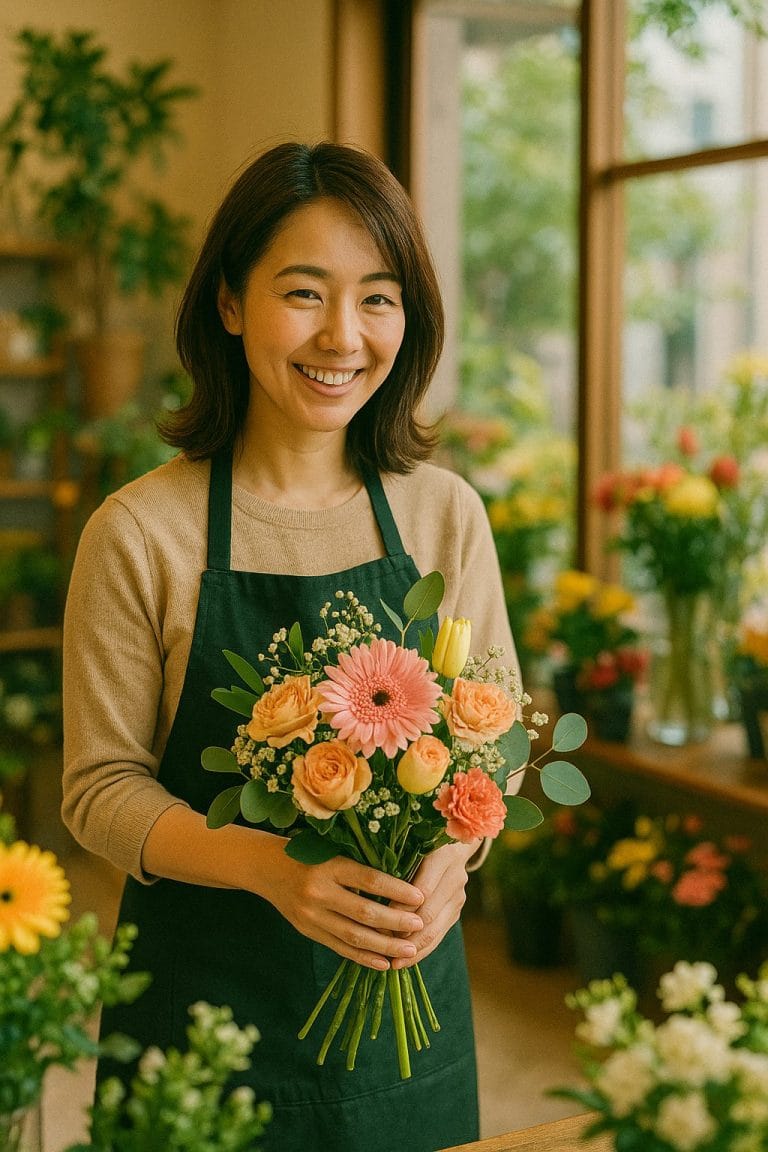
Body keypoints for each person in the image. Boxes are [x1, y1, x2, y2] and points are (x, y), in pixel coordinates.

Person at [62, 141, 517, 1152]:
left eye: (379, 298)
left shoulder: (445, 515)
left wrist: (453, 856)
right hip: (206, 1017)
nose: (343, 336)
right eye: (303, 293)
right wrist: (273, 869)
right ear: (230, 304)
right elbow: (98, 789)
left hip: (409, 1025)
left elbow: (499, 744)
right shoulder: (141, 532)